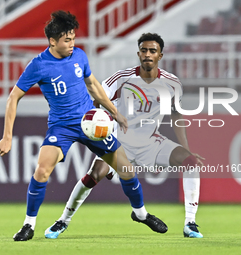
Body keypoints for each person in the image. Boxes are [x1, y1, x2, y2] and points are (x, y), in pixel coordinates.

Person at [0, 11, 168, 241]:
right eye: (67, 40)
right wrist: (7, 136)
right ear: (52, 41)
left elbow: (94, 85)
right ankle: (28, 225)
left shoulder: (79, 56)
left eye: (73, 38)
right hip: (62, 127)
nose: (72, 44)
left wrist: (115, 113)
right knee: (42, 169)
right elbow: (13, 98)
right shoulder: (38, 65)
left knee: (126, 170)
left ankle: (140, 213)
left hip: (91, 122)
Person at [44, 33, 205, 239]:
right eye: (144, 50)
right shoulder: (122, 78)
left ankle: (190, 223)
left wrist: (186, 147)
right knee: (93, 176)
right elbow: (96, 99)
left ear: (160, 55)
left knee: (190, 162)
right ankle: (62, 221)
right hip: (119, 141)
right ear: (138, 53)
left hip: (151, 142)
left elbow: (176, 114)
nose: (148, 54)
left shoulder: (172, 84)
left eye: (152, 51)